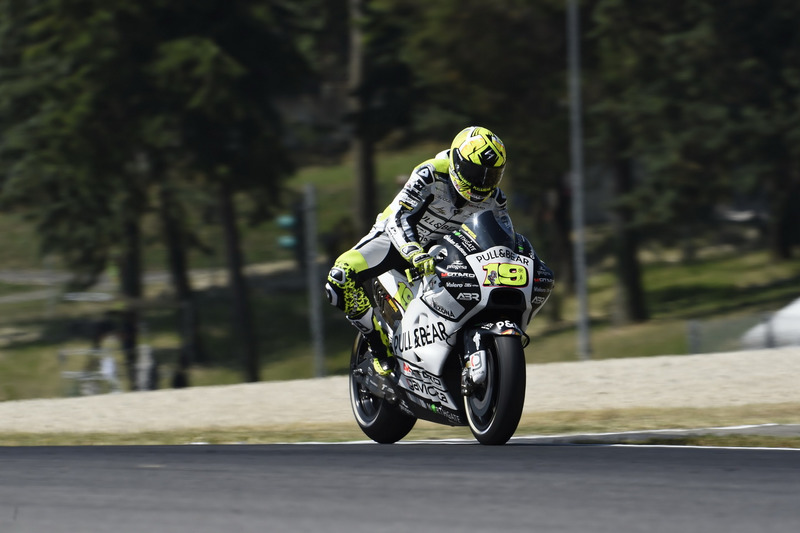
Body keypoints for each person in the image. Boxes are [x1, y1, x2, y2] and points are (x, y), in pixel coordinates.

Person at [325, 126, 516, 376]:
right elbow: (399, 216)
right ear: (457, 161)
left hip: (446, 252)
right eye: (474, 172)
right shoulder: (431, 173)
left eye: (490, 176)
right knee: (339, 279)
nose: (482, 183)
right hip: (394, 241)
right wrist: (413, 251)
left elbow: (502, 237)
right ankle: (377, 342)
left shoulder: (496, 199)